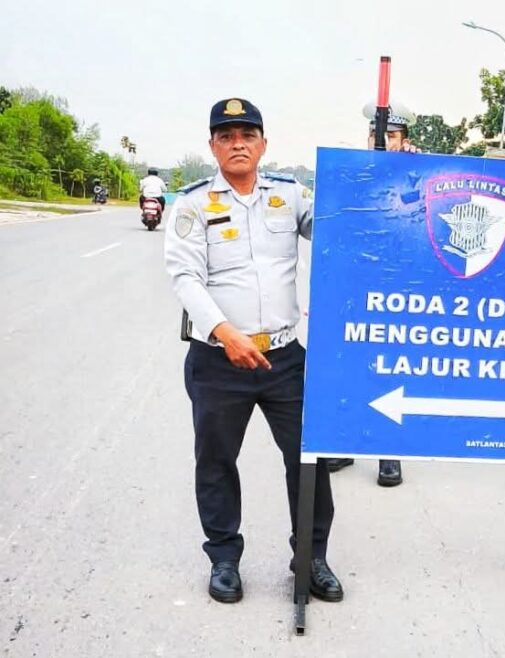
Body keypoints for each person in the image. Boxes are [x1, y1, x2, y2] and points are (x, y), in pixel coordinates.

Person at [164, 98, 342, 604]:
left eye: (247, 134)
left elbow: (338, 230)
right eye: (226, 135)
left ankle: (311, 557)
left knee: (309, 460)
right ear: (213, 146)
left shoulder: (290, 196)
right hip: (218, 360)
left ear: (263, 143)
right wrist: (225, 332)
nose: (237, 143)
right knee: (216, 460)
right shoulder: (194, 204)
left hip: (285, 358)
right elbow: (185, 277)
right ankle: (224, 558)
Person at [325, 100, 418, 487]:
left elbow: (419, 217)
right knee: (350, 366)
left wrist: (413, 169)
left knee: (390, 368)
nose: (382, 141)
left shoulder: (415, 174)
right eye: (377, 135)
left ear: (405, 140)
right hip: (354, 283)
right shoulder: (353, 173)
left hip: (395, 287)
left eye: (391, 136)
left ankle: (388, 452)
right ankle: (345, 443)